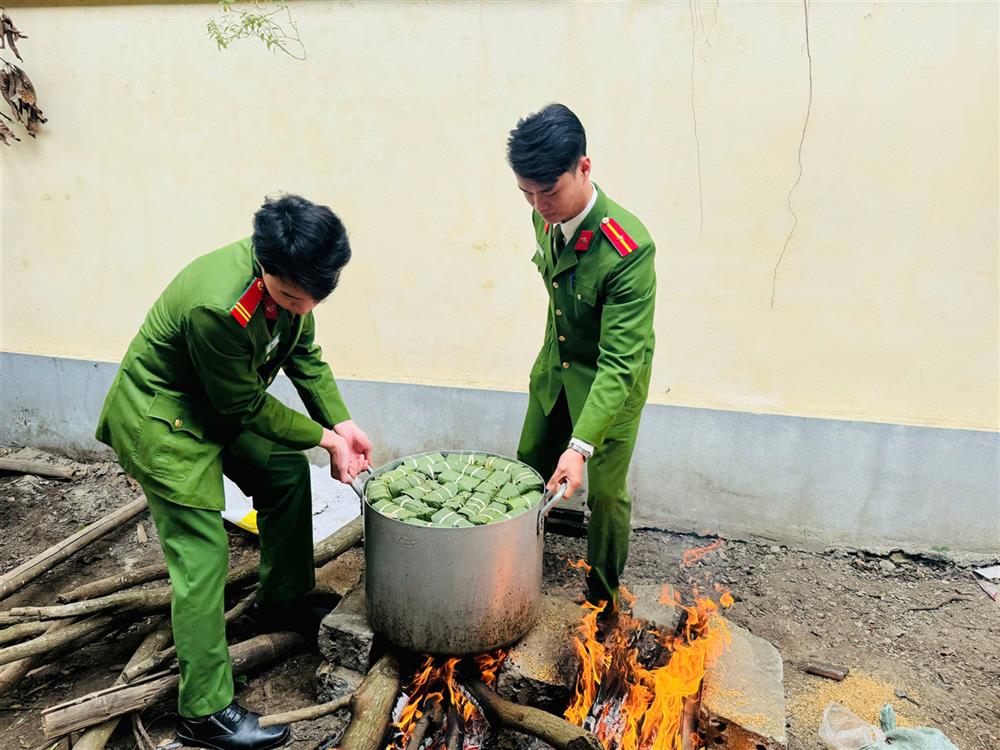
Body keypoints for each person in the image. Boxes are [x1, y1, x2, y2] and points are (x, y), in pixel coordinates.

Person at [95, 194, 372, 750]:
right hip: (164, 419)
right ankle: (204, 713)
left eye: (313, 299)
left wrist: (341, 424)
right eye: (293, 297)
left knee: (286, 475)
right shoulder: (219, 307)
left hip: (213, 404)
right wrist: (323, 440)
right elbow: (243, 407)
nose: (302, 309)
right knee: (201, 559)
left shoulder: (293, 280)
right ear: (266, 266)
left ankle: (283, 600)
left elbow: (305, 357)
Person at [507, 103, 656, 616]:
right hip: (556, 371)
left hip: (611, 383)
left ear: (584, 168)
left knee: (607, 497)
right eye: (527, 192)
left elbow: (619, 362)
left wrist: (581, 445)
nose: (539, 203)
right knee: (526, 468)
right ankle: (511, 579)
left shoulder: (628, 248)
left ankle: (603, 603)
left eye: (549, 191)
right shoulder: (541, 216)